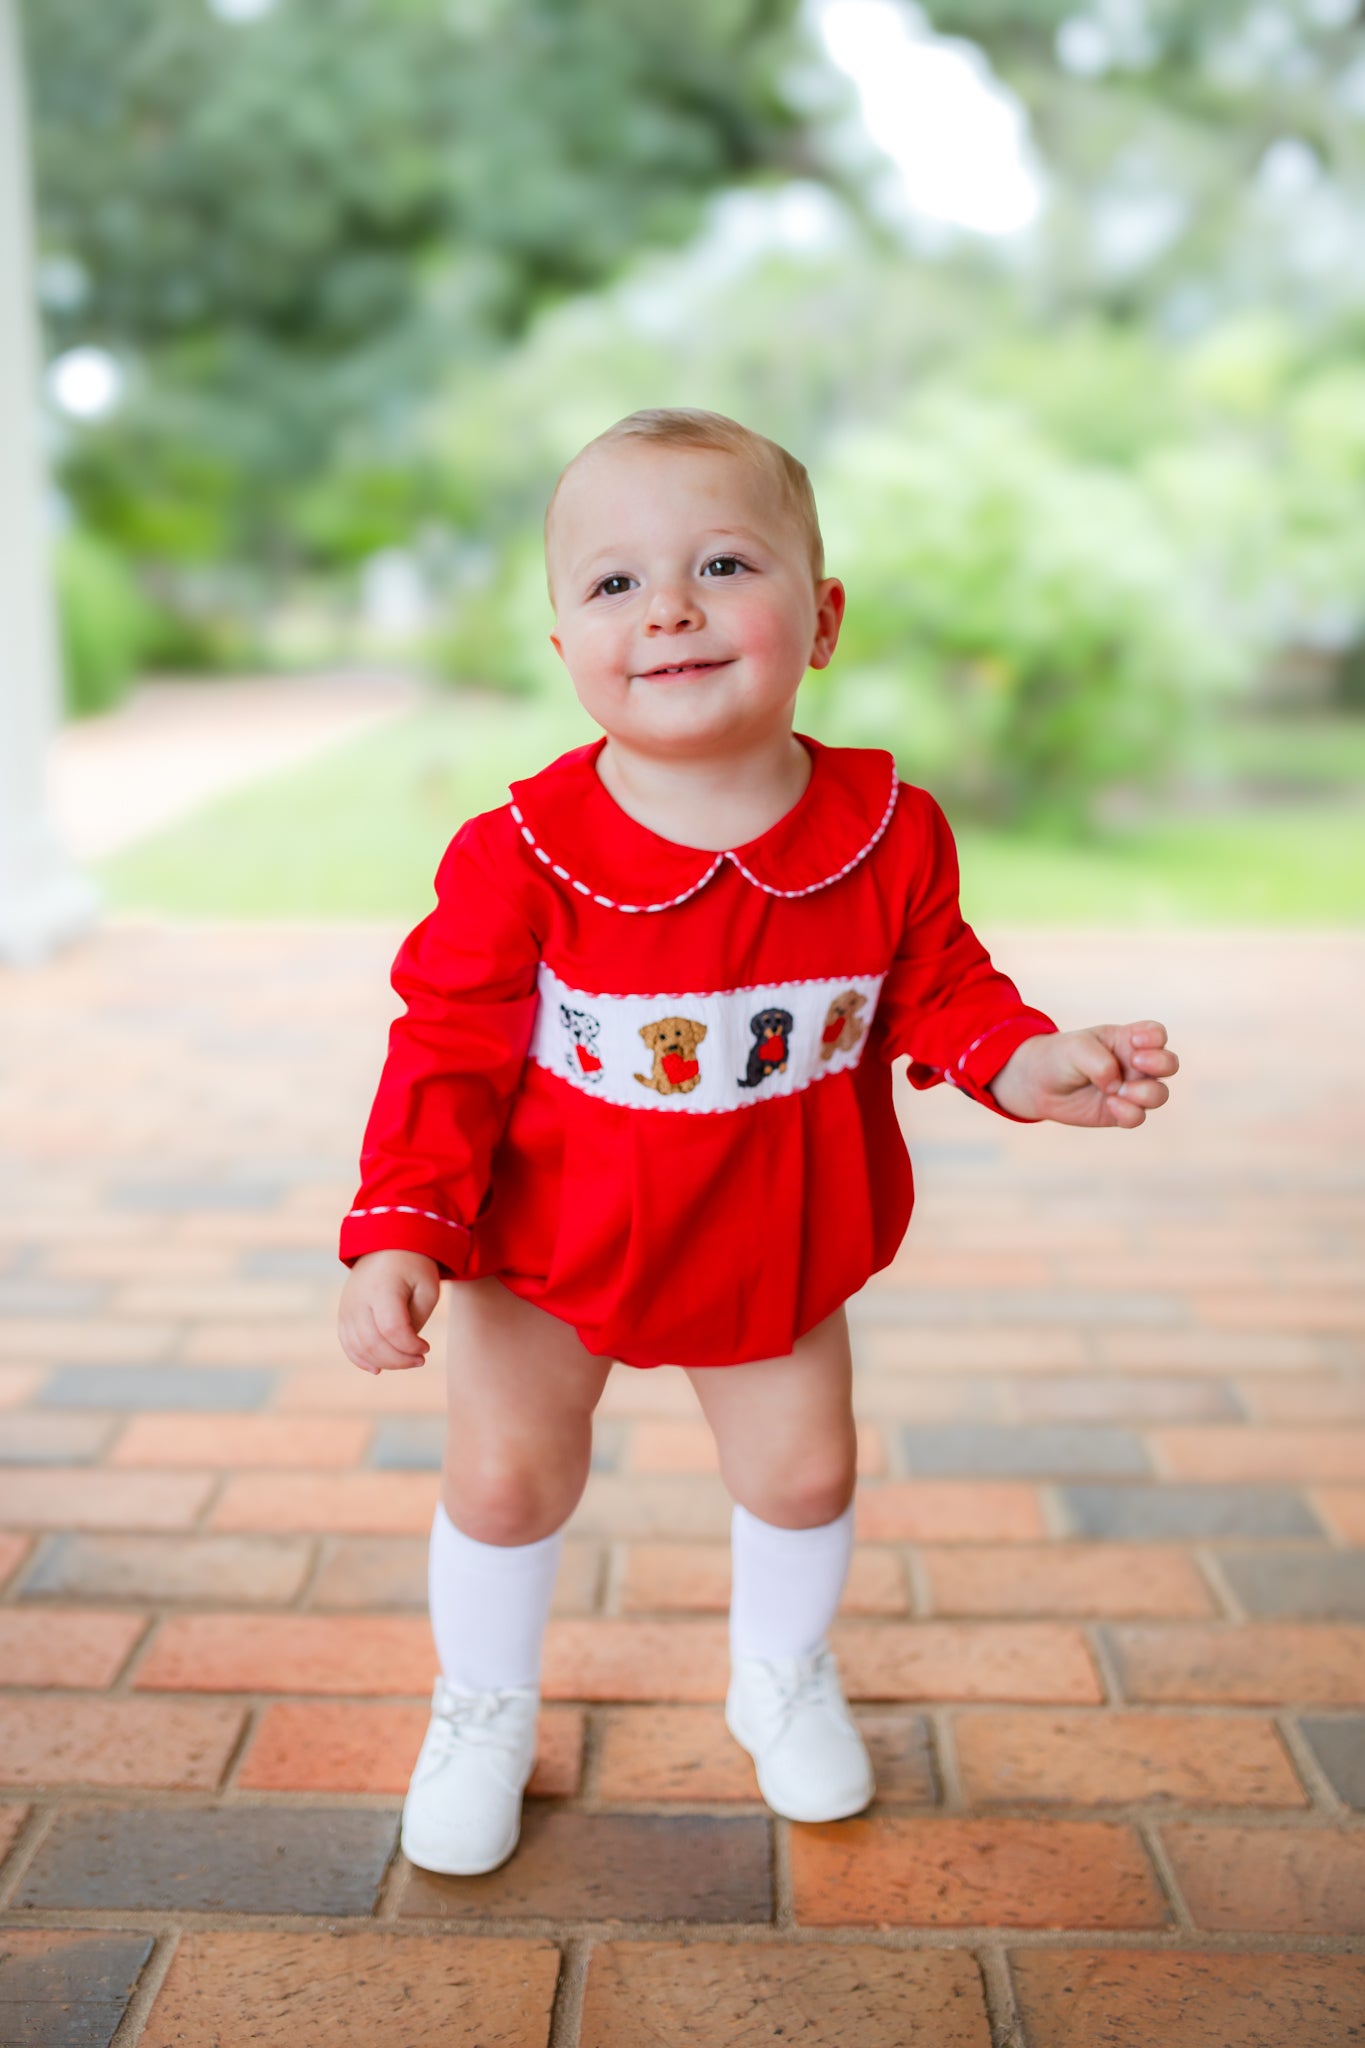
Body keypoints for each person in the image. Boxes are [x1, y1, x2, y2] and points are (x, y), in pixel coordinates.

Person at [336, 407, 1179, 1877]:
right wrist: (405, 1223)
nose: (665, 607)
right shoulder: (516, 854)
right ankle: (481, 1706)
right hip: (545, 1240)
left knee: (801, 1475)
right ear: (564, 649)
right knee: (504, 1479)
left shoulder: (886, 830)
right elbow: (448, 1046)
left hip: (769, 1236)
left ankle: (775, 1675)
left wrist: (1026, 1059)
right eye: (612, 585)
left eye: (721, 563)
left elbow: (939, 985)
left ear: (820, 615)